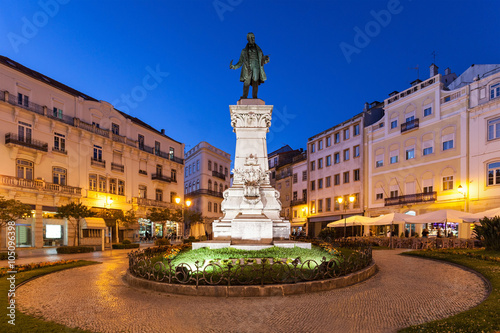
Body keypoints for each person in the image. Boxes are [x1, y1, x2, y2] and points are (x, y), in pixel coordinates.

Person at [230, 32, 270, 99]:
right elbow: (240, 62)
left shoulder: (259, 50)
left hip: (256, 66)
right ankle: (244, 96)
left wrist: (266, 59)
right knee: (246, 82)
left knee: (255, 82)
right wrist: (234, 67)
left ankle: (255, 97)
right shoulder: (244, 51)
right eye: (252, 37)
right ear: (248, 39)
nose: (253, 39)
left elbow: (262, 60)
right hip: (247, 67)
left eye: (254, 37)